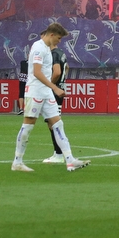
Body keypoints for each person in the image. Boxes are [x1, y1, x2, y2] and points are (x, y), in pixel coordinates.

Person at [11, 23, 89, 172]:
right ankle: (17, 162)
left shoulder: (46, 48)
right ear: (51, 35)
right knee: (27, 126)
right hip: (35, 92)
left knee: (58, 124)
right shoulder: (39, 48)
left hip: (46, 92)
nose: (59, 42)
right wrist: (55, 87)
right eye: (59, 38)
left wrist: (50, 89)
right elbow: (37, 72)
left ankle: (70, 160)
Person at [43, 45, 69, 164]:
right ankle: (58, 153)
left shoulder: (54, 54)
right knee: (52, 122)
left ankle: (58, 154)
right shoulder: (61, 52)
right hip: (59, 88)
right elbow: (66, 68)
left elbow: (57, 72)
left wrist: (49, 85)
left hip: (54, 91)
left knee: (54, 122)